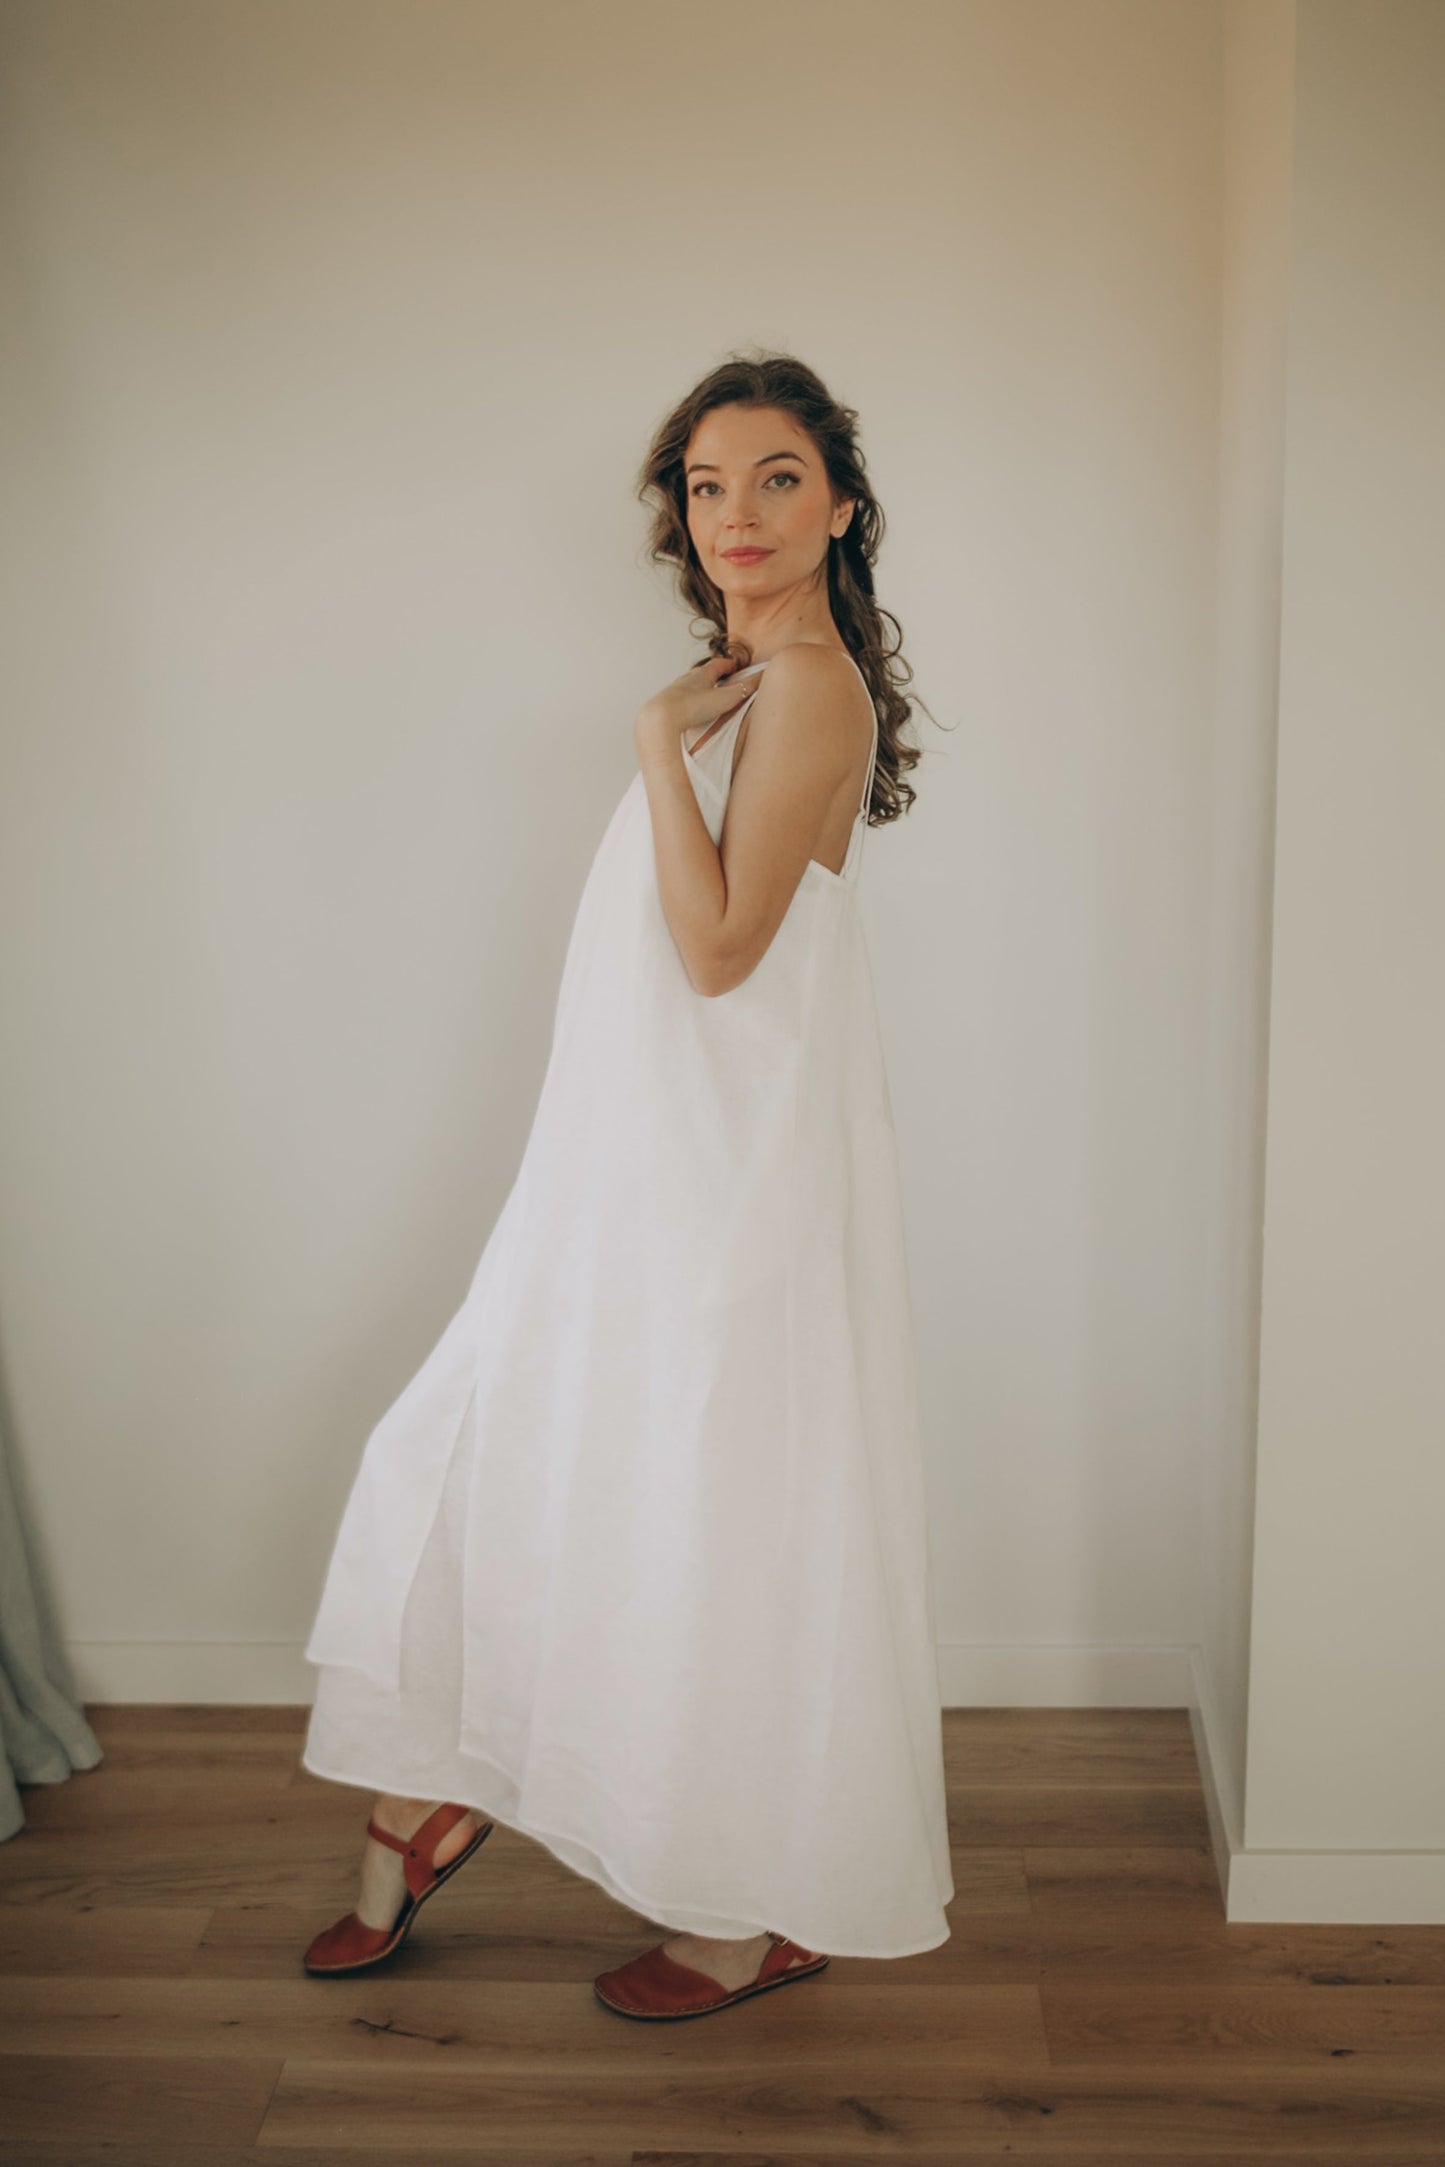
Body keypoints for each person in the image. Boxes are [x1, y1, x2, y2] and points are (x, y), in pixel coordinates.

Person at [298, 351, 955, 2021]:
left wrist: (653, 743)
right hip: (631, 1164)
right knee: (504, 1458)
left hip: (720, 1187)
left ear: (843, 507)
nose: (735, 513)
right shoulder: (748, 684)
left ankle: (740, 1910)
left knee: (696, 1511)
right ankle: (439, 1794)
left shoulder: (798, 691)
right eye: (707, 484)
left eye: (777, 479)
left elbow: (722, 955)